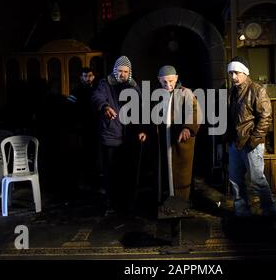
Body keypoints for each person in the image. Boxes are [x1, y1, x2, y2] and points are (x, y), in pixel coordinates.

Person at [92, 56, 146, 214]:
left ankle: (127, 204)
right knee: (111, 172)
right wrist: (105, 106)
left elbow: (140, 109)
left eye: (125, 71)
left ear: (129, 72)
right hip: (111, 135)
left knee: (127, 172)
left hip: (128, 137)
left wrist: (142, 129)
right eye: (120, 71)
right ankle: (111, 204)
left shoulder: (133, 86)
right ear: (115, 71)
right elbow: (97, 97)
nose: (122, 74)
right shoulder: (105, 83)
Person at [226, 56, 276, 220]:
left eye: (236, 73)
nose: (233, 77)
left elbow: (266, 117)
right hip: (235, 143)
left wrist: (253, 140)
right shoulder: (232, 92)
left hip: (251, 144)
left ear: (245, 73)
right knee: (235, 179)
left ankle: (270, 211)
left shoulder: (257, 90)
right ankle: (241, 211)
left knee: (257, 180)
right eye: (231, 73)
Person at [155, 65, 200, 203]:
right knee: (164, 173)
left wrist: (187, 128)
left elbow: (194, 111)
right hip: (163, 140)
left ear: (176, 78)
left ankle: (181, 202)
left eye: (171, 81)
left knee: (181, 173)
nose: (168, 85)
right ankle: (166, 200)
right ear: (159, 80)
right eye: (164, 82)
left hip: (180, 141)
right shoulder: (157, 95)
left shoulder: (185, 93)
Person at [67, 67, 97, 191]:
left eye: (90, 75)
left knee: (94, 155)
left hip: (94, 127)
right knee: (83, 155)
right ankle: (83, 182)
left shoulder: (96, 90)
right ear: (81, 77)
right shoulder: (77, 90)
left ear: (93, 77)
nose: (88, 78)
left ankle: (93, 182)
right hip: (81, 129)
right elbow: (69, 108)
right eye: (85, 76)